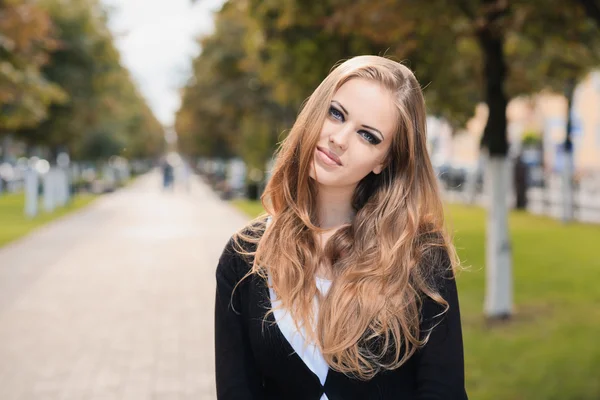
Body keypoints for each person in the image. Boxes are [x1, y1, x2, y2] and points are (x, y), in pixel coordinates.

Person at [214, 55, 468, 399]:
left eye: (368, 135)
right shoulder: (245, 256)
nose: (340, 138)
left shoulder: (419, 256)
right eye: (336, 114)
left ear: (385, 160)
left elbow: (443, 392)